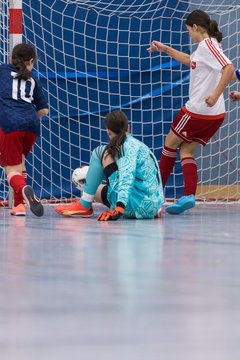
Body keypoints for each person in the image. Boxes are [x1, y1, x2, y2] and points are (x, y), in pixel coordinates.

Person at [147, 9, 234, 214]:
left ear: (196, 28)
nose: (189, 35)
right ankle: (188, 195)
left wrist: (214, 94)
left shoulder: (206, 45)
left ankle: (154, 194)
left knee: (169, 144)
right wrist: (166, 49)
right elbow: (190, 61)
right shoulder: (210, 47)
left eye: (189, 31)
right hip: (216, 116)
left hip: (198, 110)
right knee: (186, 151)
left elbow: (228, 69)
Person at [55, 110, 164, 221]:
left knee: (100, 151)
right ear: (129, 127)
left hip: (134, 206)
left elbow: (127, 176)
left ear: (108, 132)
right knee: (92, 191)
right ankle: (85, 200)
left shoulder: (125, 147)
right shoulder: (140, 145)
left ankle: (84, 205)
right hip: (154, 205)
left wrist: (119, 208)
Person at [0, 43, 49, 217]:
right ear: (30, 61)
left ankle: (24, 190)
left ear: (11, 58)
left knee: (10, 169)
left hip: (10, 125)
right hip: (32, 125)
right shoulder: (33, 79)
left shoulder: (2, 71)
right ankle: (19, 206)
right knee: (19, 162)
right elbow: (44, 111)